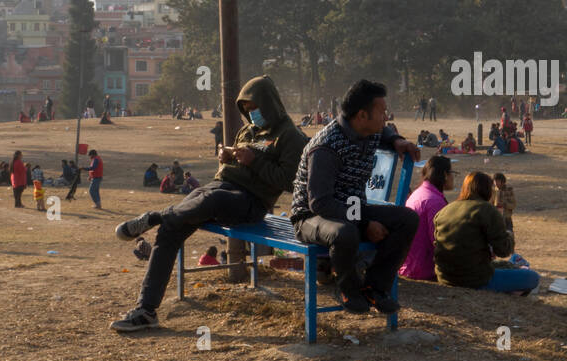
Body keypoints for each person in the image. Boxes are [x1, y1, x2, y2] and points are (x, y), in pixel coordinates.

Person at [112, 75, 308, 332]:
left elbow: (288, 181)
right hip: (218, 189)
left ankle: (155, 216)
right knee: (171, 229)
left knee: (208, 200)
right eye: (247, 110)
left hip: (251, 203)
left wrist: (254, 161)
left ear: (269, 103)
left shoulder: (290, 136)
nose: (251, 115)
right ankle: (145, 310)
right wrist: (225, 158)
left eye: (255, 108)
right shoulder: (247, 130)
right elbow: (228, 170)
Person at [290, 79, 420, 314]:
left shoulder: (368, 131)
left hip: (351, 209)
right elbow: (320, 202)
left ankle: (375, 287)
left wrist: (396, 140)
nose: (386, 117)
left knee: (408, 219)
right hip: (311, 217)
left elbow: (385, 132)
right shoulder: (326, 147)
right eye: (382, 112)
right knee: (345, 232)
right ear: (362, 115)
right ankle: (348, 289)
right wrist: (364, 223)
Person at [433, 170, 537, 295]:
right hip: (475, 279)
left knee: (506, 264)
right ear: (488, 190)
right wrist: (509, 235)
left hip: (444, 277)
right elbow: (503, 250)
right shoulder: (487, 210)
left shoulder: (445, 210)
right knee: (532, 277)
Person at [399, 156, 453, 281]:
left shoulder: (419, 193)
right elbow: (439, 241)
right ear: (445, 175)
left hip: (409, 265)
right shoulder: (434, 201)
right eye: (452, 173)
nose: (453, 177)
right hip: (423, 269)